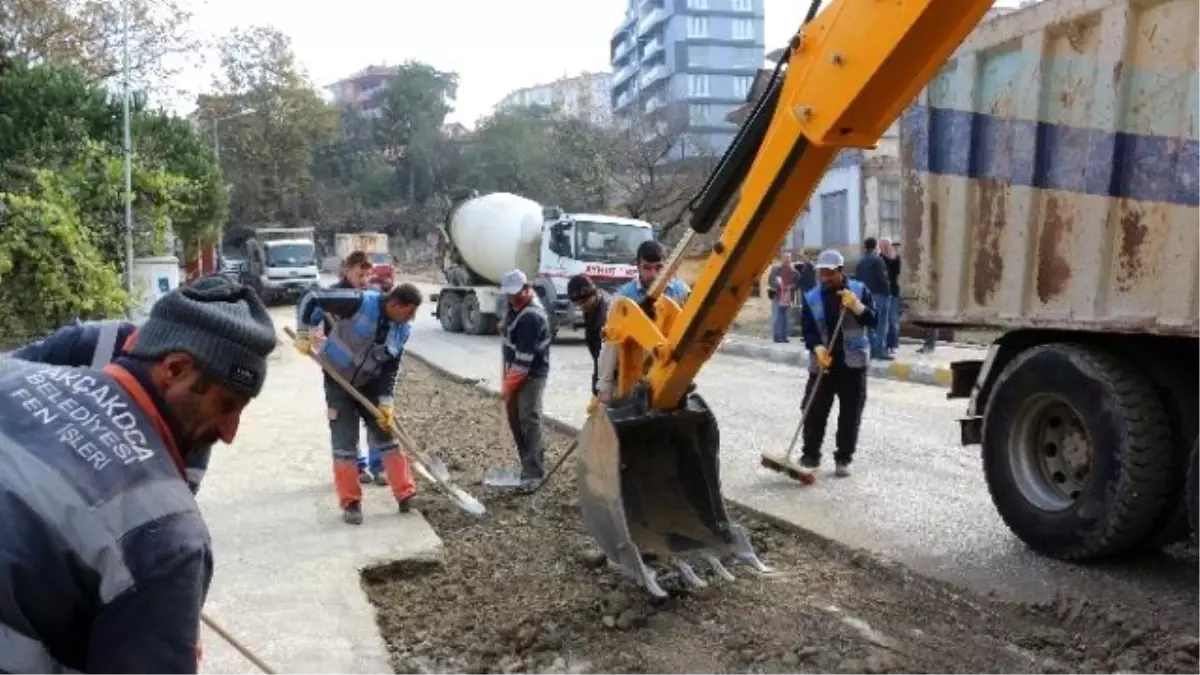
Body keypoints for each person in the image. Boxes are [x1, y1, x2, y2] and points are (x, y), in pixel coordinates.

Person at [0, 276, 277, 672]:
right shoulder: (166, 536)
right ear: (175, 369)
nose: (230, 432)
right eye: (226, 405)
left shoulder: (9, 377)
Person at [295, 282, 424, 524]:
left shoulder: (401, 330)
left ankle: (406, 494)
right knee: (345, 443)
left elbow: (390, 367)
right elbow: (312, 296)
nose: (411, 319)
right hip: (337, 380)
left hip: (371, 384)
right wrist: (303, 331)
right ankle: (351, 504)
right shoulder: (360, 302)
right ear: (394, 304)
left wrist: (386, 401)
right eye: (409, 312)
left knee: (388, 437)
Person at [797, 249, 878, 483]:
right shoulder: (812, 296)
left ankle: (844, 458)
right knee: (812, 410)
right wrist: (817, 348)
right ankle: (810, 456)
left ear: (841, 272)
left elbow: (874, 320)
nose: (825, 277)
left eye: (829, 273)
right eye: (822, 272)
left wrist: (858, 307)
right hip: (824, 363)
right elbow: (808, 329)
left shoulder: (860, 291)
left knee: (850, 413)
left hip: (852, 363)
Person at [596, 240, 690, 402]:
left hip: (668, 363)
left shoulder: (681, 292)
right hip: (634, 366)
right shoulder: (624, 298)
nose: (653, 274)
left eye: (658, 268)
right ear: (637, 266)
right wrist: (605, 386)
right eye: (647, 268)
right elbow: (611, 341)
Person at [325, 250, 385, 485]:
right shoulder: (330, 295)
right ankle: (356, 467)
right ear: (347, 270)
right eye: (360, 275)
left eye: (368, 275)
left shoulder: (373, 296)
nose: (364, 280)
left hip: (368, 369)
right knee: (343, 420)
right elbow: (316, 324)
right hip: (338, 370)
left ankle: (378, 466)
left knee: (374, 417)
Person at [491, 269, 552, 490]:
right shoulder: (514, 304)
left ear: (527, 289)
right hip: (515, 369)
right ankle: (526, 464)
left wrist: (508, 386)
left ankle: (534, 472)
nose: (512, 299)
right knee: (515, 418)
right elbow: (509, 325)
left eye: (516, 294)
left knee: (528, 419)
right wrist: (505, 328)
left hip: (532, 373)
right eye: (509, 295)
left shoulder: (532, 317)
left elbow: (524, 361)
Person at [567, 273, 611, 396]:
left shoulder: (604, 315)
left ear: (594, 293)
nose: (581, 306)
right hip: (601, 364)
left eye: (584, 302)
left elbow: (605, 356)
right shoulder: (592, 307)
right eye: (578, 304)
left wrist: (599, 384)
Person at [854, 237, 892, 361]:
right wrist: (888, 292)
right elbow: (883, 278)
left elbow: (857, 280)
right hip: (879, 294)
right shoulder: (878, 260)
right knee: (881, 324)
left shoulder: (860, 262)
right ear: (876, 246)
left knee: (870, 325)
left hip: (865, 296)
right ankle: (879, 351)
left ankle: (871, 350)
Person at [768, 251, 800, 343]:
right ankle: (777, 336)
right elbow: (770, 281)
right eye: (785, 257)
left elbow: (797, 284)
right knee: (777, 316)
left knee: (786, 317)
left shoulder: (794, 272)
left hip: (788, 297)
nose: (787, 259)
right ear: (782, 259)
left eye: (789, 258)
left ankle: (784, 337)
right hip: (777, 296)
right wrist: (780, 286)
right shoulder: (776, 269)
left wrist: (791, 287)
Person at [880, 237, 902, 358]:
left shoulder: (896, 258)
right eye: (884, 246)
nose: (886, 248)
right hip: (883, 293)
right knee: (884, 322)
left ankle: (892, 345)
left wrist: (894, 257)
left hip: (893, 293)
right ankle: (885, 345)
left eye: (887, 246)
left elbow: (898, 272)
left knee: (892, 320)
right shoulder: (879, 259)